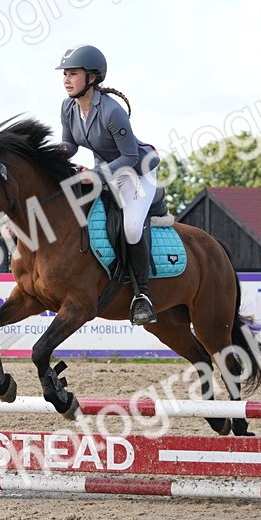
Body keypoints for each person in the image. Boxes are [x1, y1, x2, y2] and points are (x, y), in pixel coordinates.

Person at [55, 44, 163, 325]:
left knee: (131, 227)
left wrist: (97, 174)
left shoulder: (112, 112)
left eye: (73, 74)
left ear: (92, 77)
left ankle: (142, 296)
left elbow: (130, 157)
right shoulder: (68, 107)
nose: (66, 79)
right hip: (104, 170)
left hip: (136, 174)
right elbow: (69, 143)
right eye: (65, 74)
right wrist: (54, 153)